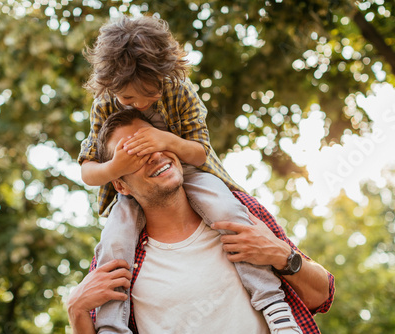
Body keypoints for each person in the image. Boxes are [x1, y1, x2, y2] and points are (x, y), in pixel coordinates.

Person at [78, 15, 306, 334]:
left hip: (188, 168)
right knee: (114, 243)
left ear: (165, 76)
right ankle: (111, 326)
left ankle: (273, 305)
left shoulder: (179, 88)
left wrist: (166, 141)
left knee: (229, 213)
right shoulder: (104, 103)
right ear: (110, 86)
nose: (140, 104)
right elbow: (88, 171)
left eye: (150, 94)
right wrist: (117, 166)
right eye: (129, 99)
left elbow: (199, 150)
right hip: (131, 182)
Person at [67, 110, 335, 334]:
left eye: (153, 141)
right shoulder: (117, 256)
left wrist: (282, 254)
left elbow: (321, 295)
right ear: (120, 185)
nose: (153, 155)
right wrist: (76, 311)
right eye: (133, 154)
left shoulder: (238, 210)